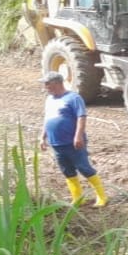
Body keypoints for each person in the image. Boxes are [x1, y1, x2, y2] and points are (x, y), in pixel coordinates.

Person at [39, 72, 108, 207]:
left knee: (84, 168)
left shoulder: (73, 98)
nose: (45, 87)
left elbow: (81, 117)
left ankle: (102, 197)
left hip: (72, 142)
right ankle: (77, 198)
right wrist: (42, 137)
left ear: (57, 83)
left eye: (47, 84)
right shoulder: (49, 100)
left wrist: (78, 136)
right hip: (56, 143)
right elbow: (47, 119)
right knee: (67, 171)